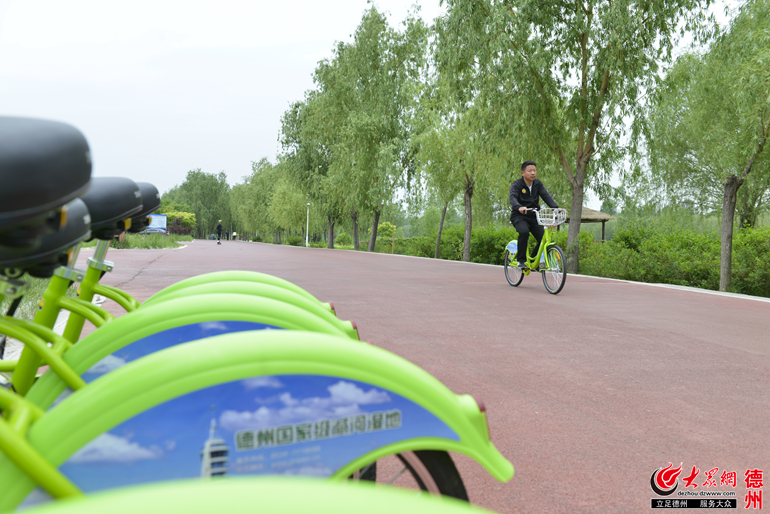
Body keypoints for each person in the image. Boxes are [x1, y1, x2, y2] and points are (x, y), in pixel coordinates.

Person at [509, 161, 559, 268]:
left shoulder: (537, 184)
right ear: (523, 173)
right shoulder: (517, 185)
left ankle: (533, 260)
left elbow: (545, 196)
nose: (533, 173)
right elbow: (512, 198)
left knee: (544, 238)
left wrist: (556, 208)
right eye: (530, 171)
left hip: (534, 216)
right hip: (519, 216)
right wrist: (519, 207)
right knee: (524, 232)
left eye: (534, 170)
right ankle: (521, 261)